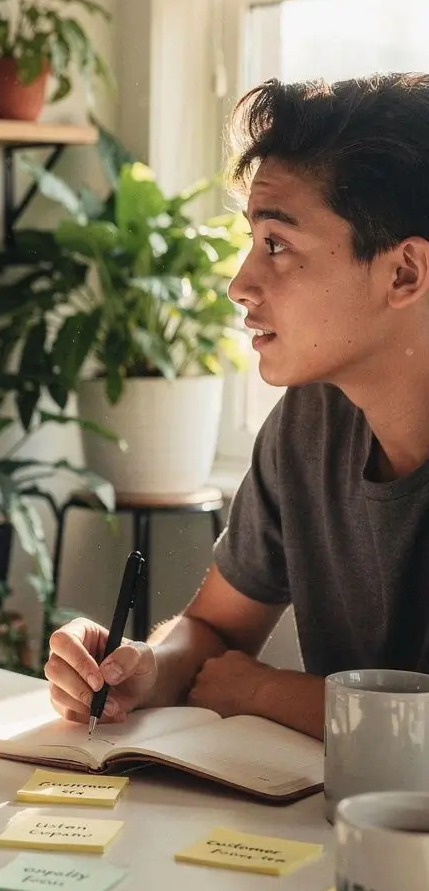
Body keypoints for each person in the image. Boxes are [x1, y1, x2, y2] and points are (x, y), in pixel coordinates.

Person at [46, 73, 429, 742]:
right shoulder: (309, 423)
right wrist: (147, 665)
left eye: (277, 245)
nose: (239, 284)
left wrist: (263, 690)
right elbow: (215, 628)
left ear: (404, 274)